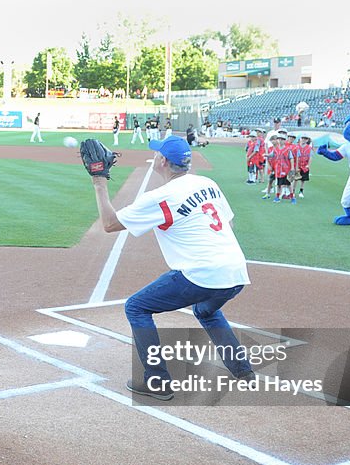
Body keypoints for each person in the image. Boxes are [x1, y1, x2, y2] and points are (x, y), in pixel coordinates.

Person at [89, 134, 256, 400]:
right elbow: (229, 223)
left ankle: (157, 381)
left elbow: (109, 224)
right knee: (206, 310)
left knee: (137, 307)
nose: (155, 156)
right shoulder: (207, 183)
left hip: (201, 274)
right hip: (236, 270)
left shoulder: (161, 196)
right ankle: (243, 371)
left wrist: (99, 181)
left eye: (157, 153)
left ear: (163, 161)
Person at [294, 135, 312, 199]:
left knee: (303, 180)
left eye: (305, 139)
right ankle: (293, 191)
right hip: (297, 165)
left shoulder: (309, 148)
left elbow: (310, 157)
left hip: (304, 165)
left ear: (307, 140)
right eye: (303, 138)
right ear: (300, 139)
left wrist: (308, 165)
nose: (304, 140)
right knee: (295, 179)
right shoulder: (296, 146)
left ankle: (301, 191)